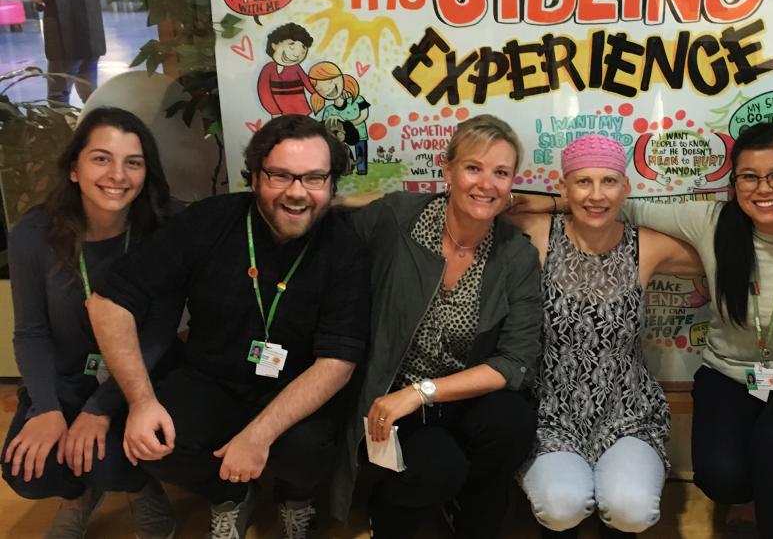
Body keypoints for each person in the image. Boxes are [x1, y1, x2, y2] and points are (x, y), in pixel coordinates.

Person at [513, 121, 773, 539]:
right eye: (749, 176)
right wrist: (547, 203)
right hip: (727, 373)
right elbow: (619, 207)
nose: (764, 187)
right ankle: (746, 496)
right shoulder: (713, 225)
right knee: (721, 475)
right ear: (734, 183)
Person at [86, 115, 371, 539]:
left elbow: (338, 364)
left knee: (308, 450)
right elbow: (106, 303)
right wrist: (142, 401)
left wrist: (258, 435)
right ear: (254, 177)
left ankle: (295, 497)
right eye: (280, 175)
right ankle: (229, 494)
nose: (297, 192)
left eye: (314, 178)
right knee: (151, 440)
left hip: (296, 387)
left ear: (331, 183)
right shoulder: (208, 221)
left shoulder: (344, 246)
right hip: (211, 378)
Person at [332, 114, 541, 539]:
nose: (486, 184)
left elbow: (517, 362)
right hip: (395, 396)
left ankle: (472, 518)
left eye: (500, 173)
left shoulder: (515, 253)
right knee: (438, 470)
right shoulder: (398, 219)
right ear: (447, 171)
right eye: (473, 168)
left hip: (460, 394)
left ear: (511, 184)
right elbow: (332, 244)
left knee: (513, 422)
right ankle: (387, 510)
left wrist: (422, 392)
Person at [507, 135, 704, 538]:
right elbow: (473, 208)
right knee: (561, 507)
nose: (596, 194)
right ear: (563, 187)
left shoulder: (644, 246)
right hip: (550, 414)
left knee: (630, 509)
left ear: (625, 188)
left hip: (628, 412)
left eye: (609, 182)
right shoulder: (539, 234)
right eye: (583, 182)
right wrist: (555, 206)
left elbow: (717, 251)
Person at [2, 107, 179, 539]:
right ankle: (78, 495)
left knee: (110, 460)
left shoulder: (164, 229)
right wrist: (45, 409)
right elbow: (31, 331)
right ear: (75, 169)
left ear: (145, 173)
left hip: (139, 376)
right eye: (101, 158)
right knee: (28, 468)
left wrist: (99, 409)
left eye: (132, 162)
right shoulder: (32, 234)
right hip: (66, 375)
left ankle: (141, 490)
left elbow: (159, 332)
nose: (117, 174)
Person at [34, 0, 106, 106]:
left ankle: (64, 132)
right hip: (91, 33)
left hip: (64, 38)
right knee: (91, 95)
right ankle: (95, 128)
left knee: (58, 97)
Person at [308, 61, 371, 175]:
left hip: (360, 134)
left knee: (360, 151)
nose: (327, 89)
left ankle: (362, 169)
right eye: (321, 89)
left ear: (341, 78)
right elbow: (326, 128)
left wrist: (345, 122)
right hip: (340, 140)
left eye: (331, 81)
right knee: (343, 154)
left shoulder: (358, 99)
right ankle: (345, 169)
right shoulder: (329, 110)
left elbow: (364, 115)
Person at [257, 23, 315, 117]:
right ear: (274, 45)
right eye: (291, 45)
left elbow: (307, 82)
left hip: (301, 110)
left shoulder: (296, 68)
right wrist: (274, 111)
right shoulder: (268, 69)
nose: (297, 54)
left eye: (303, 48)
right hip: (280, 114)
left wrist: (318, 93)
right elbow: (264, 92)